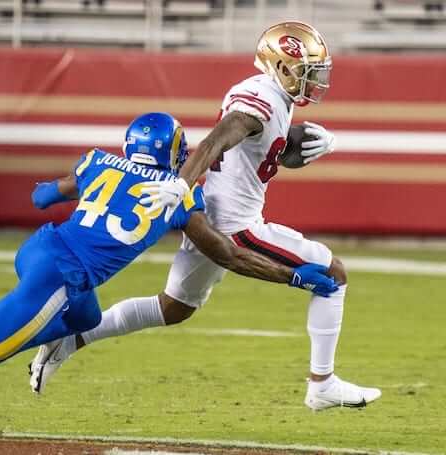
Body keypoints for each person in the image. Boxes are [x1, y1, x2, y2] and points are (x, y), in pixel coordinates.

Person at [0, 112, 336, 440]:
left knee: (88, 317)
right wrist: (293, 277)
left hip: (39, 250)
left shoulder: (98, 162)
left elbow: (42, 196)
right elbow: (225, 254)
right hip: (62, 277)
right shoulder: (180, 195)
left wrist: (67, 187)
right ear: (175, 151)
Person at [27, 22, 382, 411]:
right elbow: (216, 141)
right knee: (334, 274)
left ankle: (70, 340)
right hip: (237, 227)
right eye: (306, 72)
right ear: (281, 67)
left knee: (173, 308)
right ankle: (323, 383)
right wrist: (181, 183)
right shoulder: (260, 102)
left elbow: (259, 151)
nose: (315, 81)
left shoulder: (270, 95)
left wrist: (307, 145)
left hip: (211, 214)